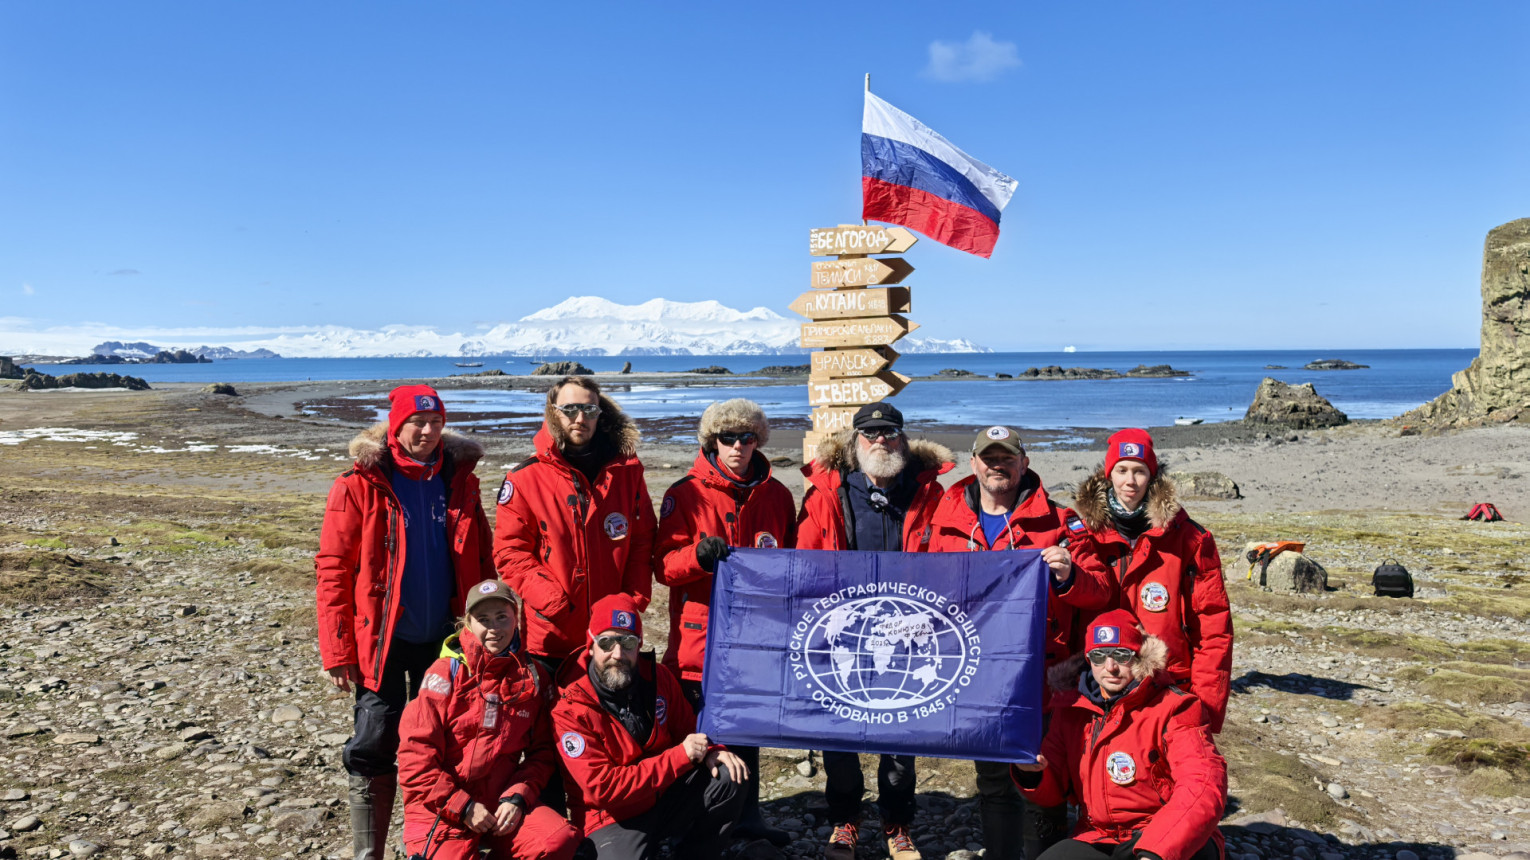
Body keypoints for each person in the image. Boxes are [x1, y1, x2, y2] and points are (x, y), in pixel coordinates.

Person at [315, 385, 494, 860]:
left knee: (447, 744)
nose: (429, 431)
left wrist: (492, 623)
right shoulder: (360, 484)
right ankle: (368, 851)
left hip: (448, 638)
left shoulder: (460, 481)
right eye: (417, 422)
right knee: (374, 741)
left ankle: (434, 843)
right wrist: (337, 650)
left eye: (436, 423)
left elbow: (482, 556)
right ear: (396, 426)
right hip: (382, 641)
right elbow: (332, 569)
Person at [928, 426, 1112, 860]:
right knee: (993, 780)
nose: (998, 465)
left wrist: (1070, 575)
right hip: (976, 676)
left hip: (1042, 680)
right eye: (988, 458)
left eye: (1007, 457)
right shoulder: (945, 519)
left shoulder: (1061, 522)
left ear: (1023, 463)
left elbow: (1102, 590)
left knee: (1043, 777)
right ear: (973, 464)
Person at [796, 401, 954, 860]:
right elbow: (804, 557)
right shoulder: (827, 493)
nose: (879, 441)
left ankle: (897, 822)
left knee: (901, 735)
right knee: (839, 734)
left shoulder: (931, 494)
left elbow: (953, 556)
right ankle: (845, 819)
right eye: (870, 434)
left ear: (903, 441)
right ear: (855, 442)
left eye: (888, 433)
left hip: (908, 631)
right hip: (843, 629)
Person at [653, 398, 795, 847]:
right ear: (711, 441)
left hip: (757, 633)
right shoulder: (685, 492)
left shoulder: (778, 495)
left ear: (758, 441)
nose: (737, 446)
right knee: (702, 729)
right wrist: (697, 556)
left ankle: (748, 817)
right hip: (702, 635)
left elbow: (791, 561)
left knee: (748, 725)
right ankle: (699, 821)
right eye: (727, 437)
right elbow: (663, 566)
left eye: (747, 437)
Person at [1012, 610, 1227, 860]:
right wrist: (1030, 775)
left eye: (1121, 656)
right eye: (1099, 656)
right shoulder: (1070, 711)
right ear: (1087, 660)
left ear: (1139, 657)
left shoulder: (1176, 708)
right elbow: (1053, 790)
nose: (1110, 667)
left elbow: (1201, 784)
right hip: (1098, 836)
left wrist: (1156, 852)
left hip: (1162, 833)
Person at [552, 594, 748, 860]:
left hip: (663, 797)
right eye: (607, 642)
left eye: (628, 642)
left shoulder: (660, 679)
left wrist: (714, 749)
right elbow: (603, 789)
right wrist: (680, 756)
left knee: (728, 773)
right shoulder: (570, 709)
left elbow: (689, 729)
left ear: (640, 644)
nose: (617, 654)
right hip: (612, 817)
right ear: (591, 645)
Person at [396, 580, 580, 860]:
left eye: (502, 617)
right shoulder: (445, 673)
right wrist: (464, 807)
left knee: (558, 842)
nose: (494, 627)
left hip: (498, 803)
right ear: (467, 623)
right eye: (483, 619)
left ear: (516, 619)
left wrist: (518, 796)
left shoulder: (533, 678)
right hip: (439, 805)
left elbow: (542, 754)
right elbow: (415, 760)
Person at [1070, 429, 1233, 733]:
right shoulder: (1080, 535)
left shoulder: (1191, 539)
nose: (1130, 481)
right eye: (1121, 470)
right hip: (1096, 681)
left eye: (1139, 471)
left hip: (1167, 683)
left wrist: (1206, 708)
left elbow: (1213, 627)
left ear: (1153, 476)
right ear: (1108, 475)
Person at [493, 376, 656, 675]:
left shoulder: (626, 473)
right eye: (570, 409)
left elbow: (642, 541)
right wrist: (554, 603)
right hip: (553, 633)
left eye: (590, 410)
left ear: (600, 414)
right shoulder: (525, 478)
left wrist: (632, 600)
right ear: (554, 412)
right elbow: (510, 553)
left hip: (612, 632)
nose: (580, 418)